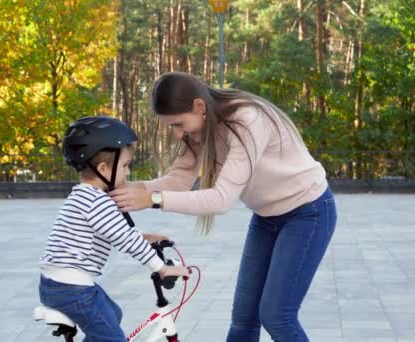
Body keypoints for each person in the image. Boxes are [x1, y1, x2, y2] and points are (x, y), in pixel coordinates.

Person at [109, 72, 337, 342]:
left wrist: (154, 199)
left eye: (180, 124)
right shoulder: (197, 130)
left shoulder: (246, 121)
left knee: (277, 316)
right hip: (266, 217)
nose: (179, 134)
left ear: (200, 107)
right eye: (172, 127)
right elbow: (180, 180)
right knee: (243, 320)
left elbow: (221, 199)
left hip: (307, 212)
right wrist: (137, 189)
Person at [38, 116, 189, 342]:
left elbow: (116, 232)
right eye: (125, 166)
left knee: (113, 315)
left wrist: (146, 237)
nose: (128, 173)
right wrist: (161, 268)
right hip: (73, 290)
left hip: (58, 285)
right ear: (102, 168)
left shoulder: (83, 195)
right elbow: (126, 240)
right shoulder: (97, 202)